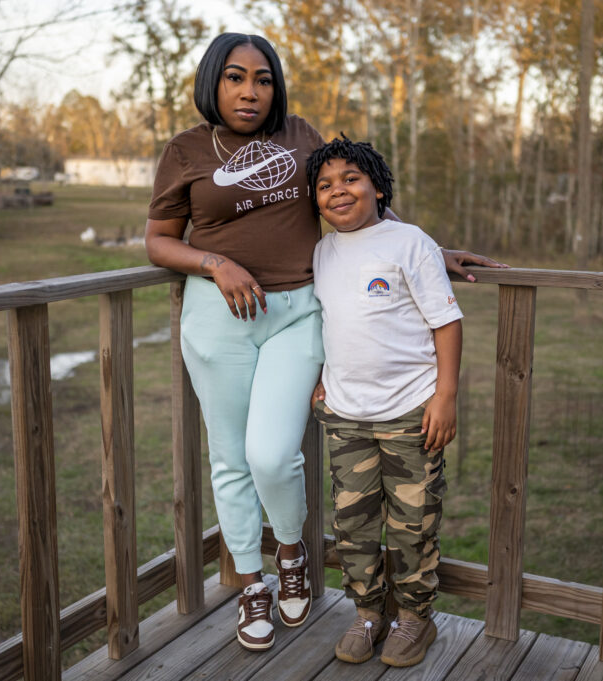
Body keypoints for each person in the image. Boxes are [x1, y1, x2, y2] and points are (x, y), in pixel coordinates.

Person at [144, 33, 504, 652]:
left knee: (271, 452)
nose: (250, 91)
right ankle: (254, 582)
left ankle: (291, 550)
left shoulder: (301, 134)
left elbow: (359, 208)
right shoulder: (185, 150)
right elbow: (157, 240)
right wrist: (213, 263)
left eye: (262, 78)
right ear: (214, 83)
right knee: (229, 457)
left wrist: (427, 251)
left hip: (294, 312)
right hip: (219, 313)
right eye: (235, 78)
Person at [307, 135, 460, 667]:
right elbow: (334, 322)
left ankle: (414, 618)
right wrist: (323, 376)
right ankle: (368, 612)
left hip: (409, 411)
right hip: (346, 415)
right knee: (353, 523)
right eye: (325, 185)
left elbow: (446, 320)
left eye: (351, 179)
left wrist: (445, 396)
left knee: (413, 522)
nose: (338, 191)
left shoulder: (409, 242)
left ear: (377, 186)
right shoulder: (322, 252)